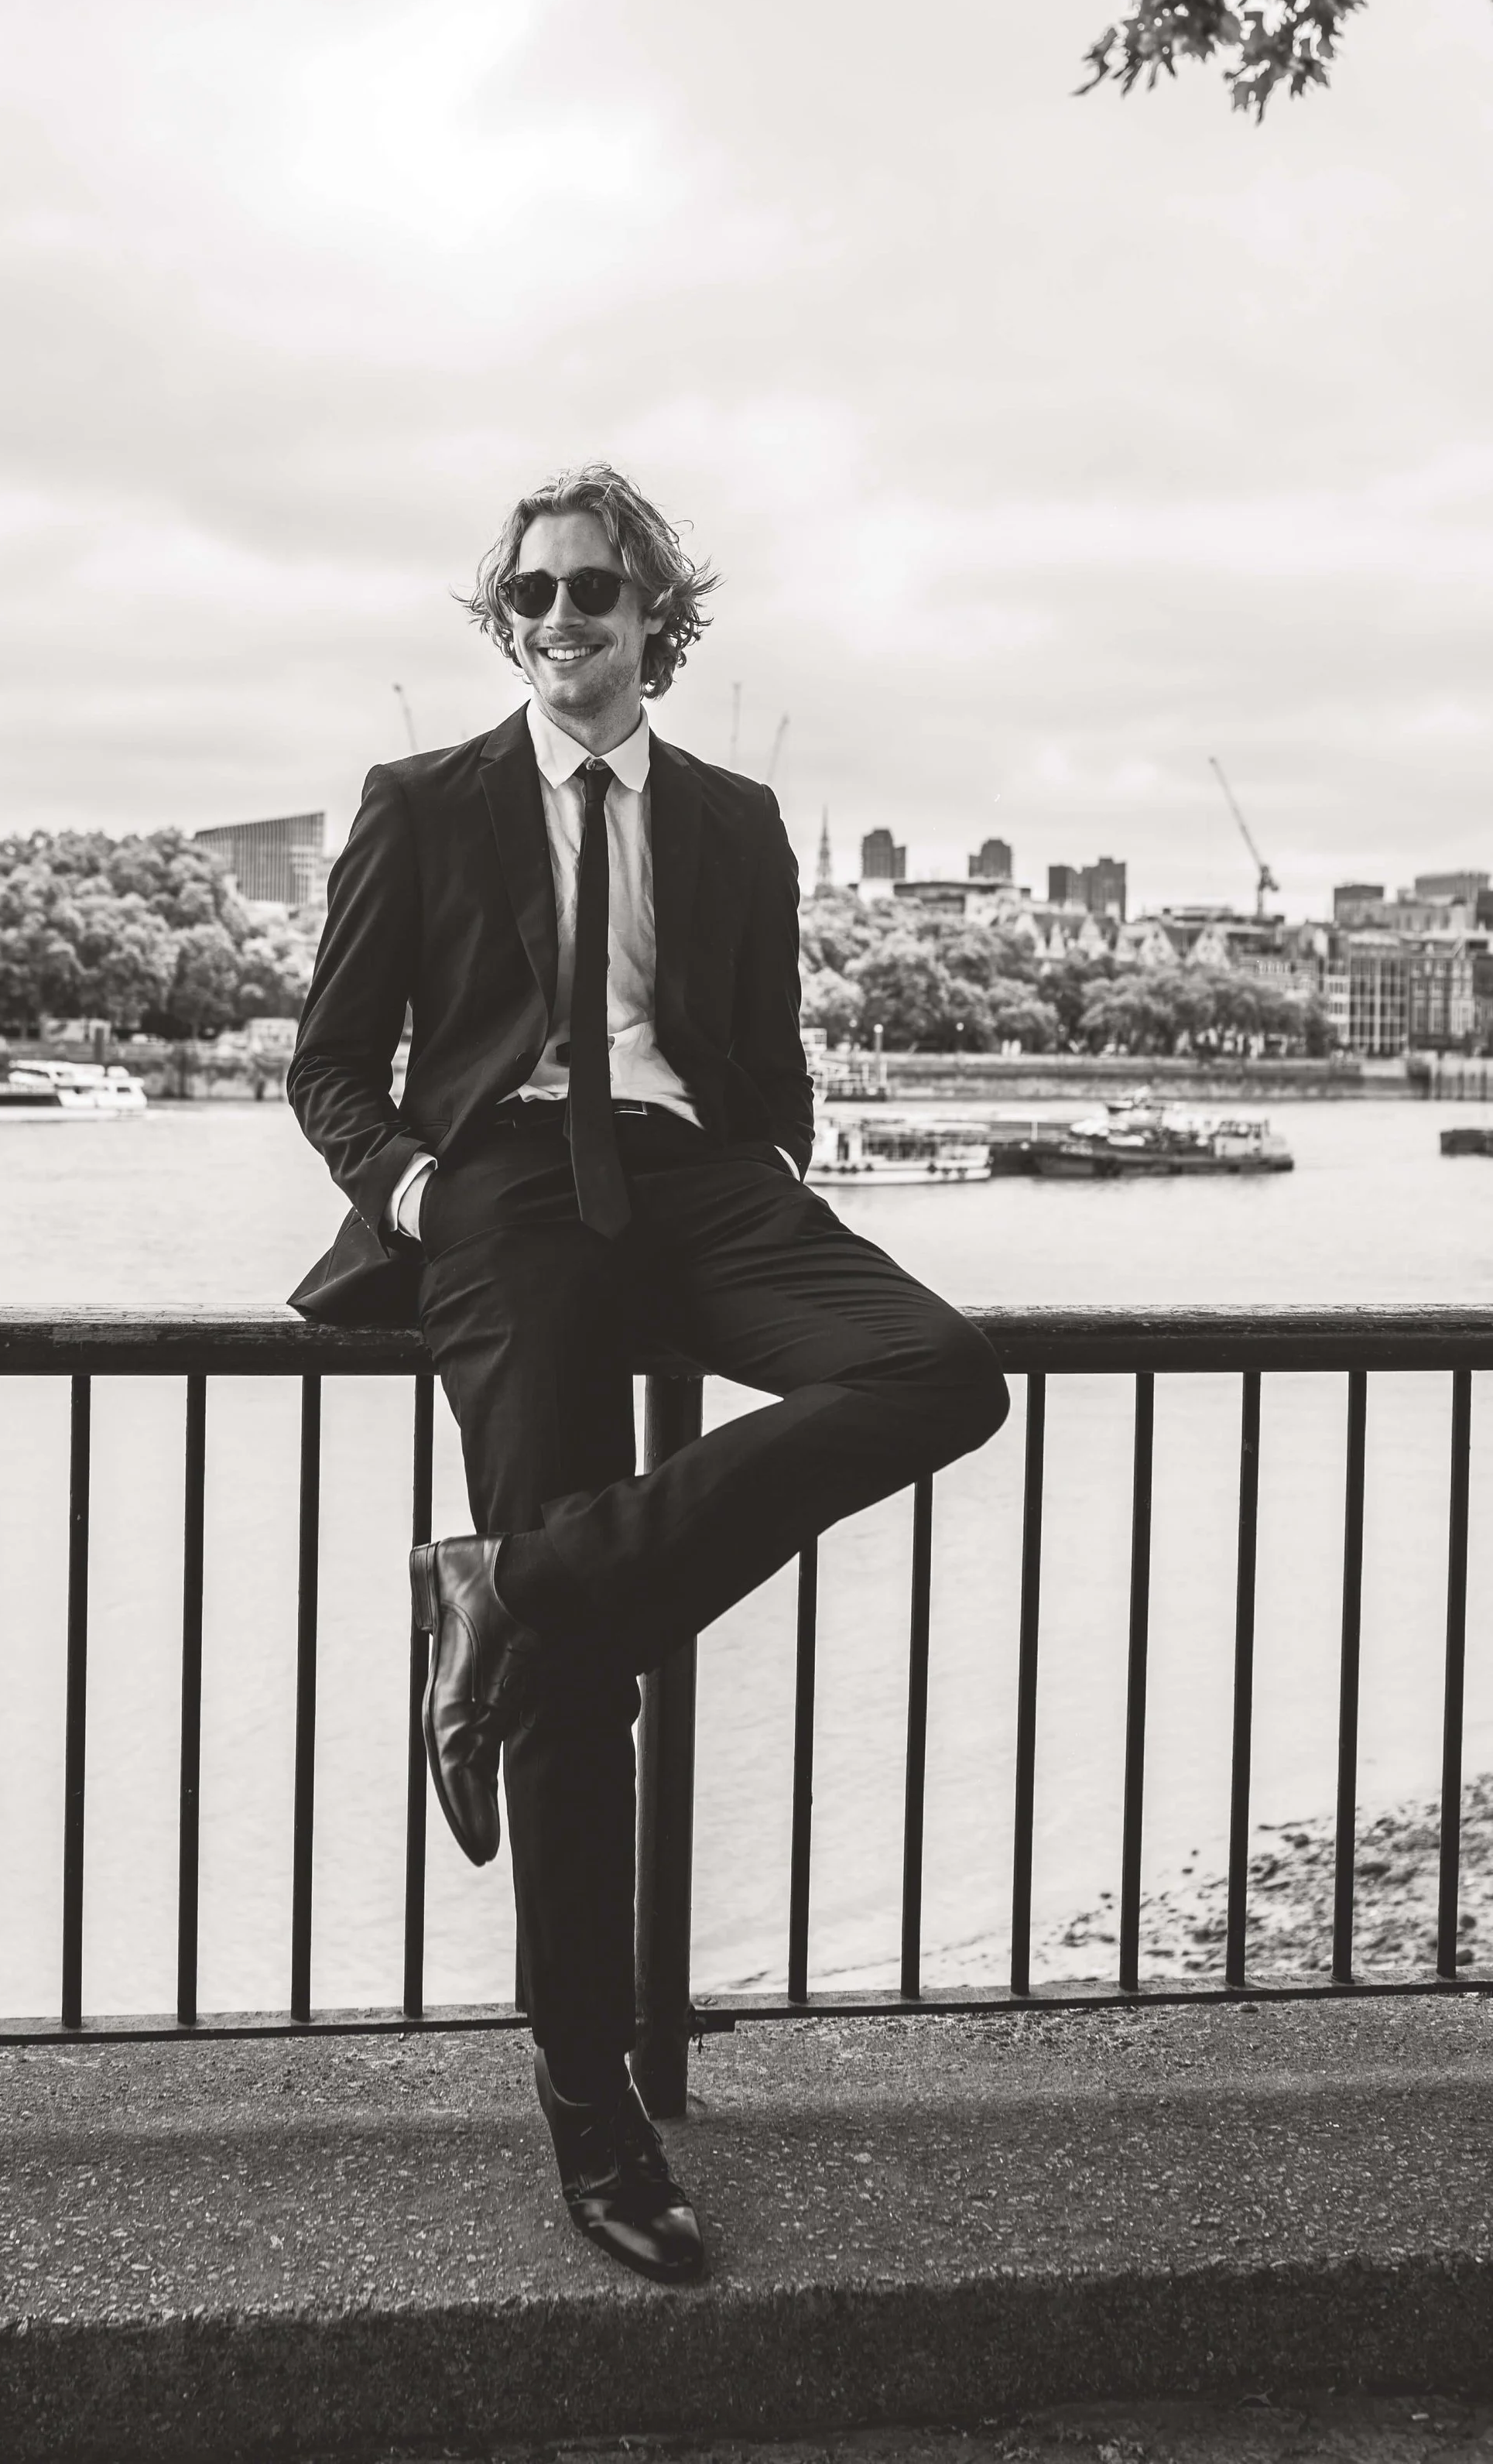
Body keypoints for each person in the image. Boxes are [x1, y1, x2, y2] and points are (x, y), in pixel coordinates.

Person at [286, 464, 1008, 2283]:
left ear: (648, 617)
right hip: (506, 1195)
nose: (556, 624)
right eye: (526, 597)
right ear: (504, 616)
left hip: (694, 1182)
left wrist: (761, 1192)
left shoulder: (733, 820)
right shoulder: (422, 800)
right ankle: (590, 2111)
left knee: (936, 1375)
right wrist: (420, 1184)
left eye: (591, 593)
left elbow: (756, 1053)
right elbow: (329, 1071)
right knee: (581, 1697)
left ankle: (503, 1584)